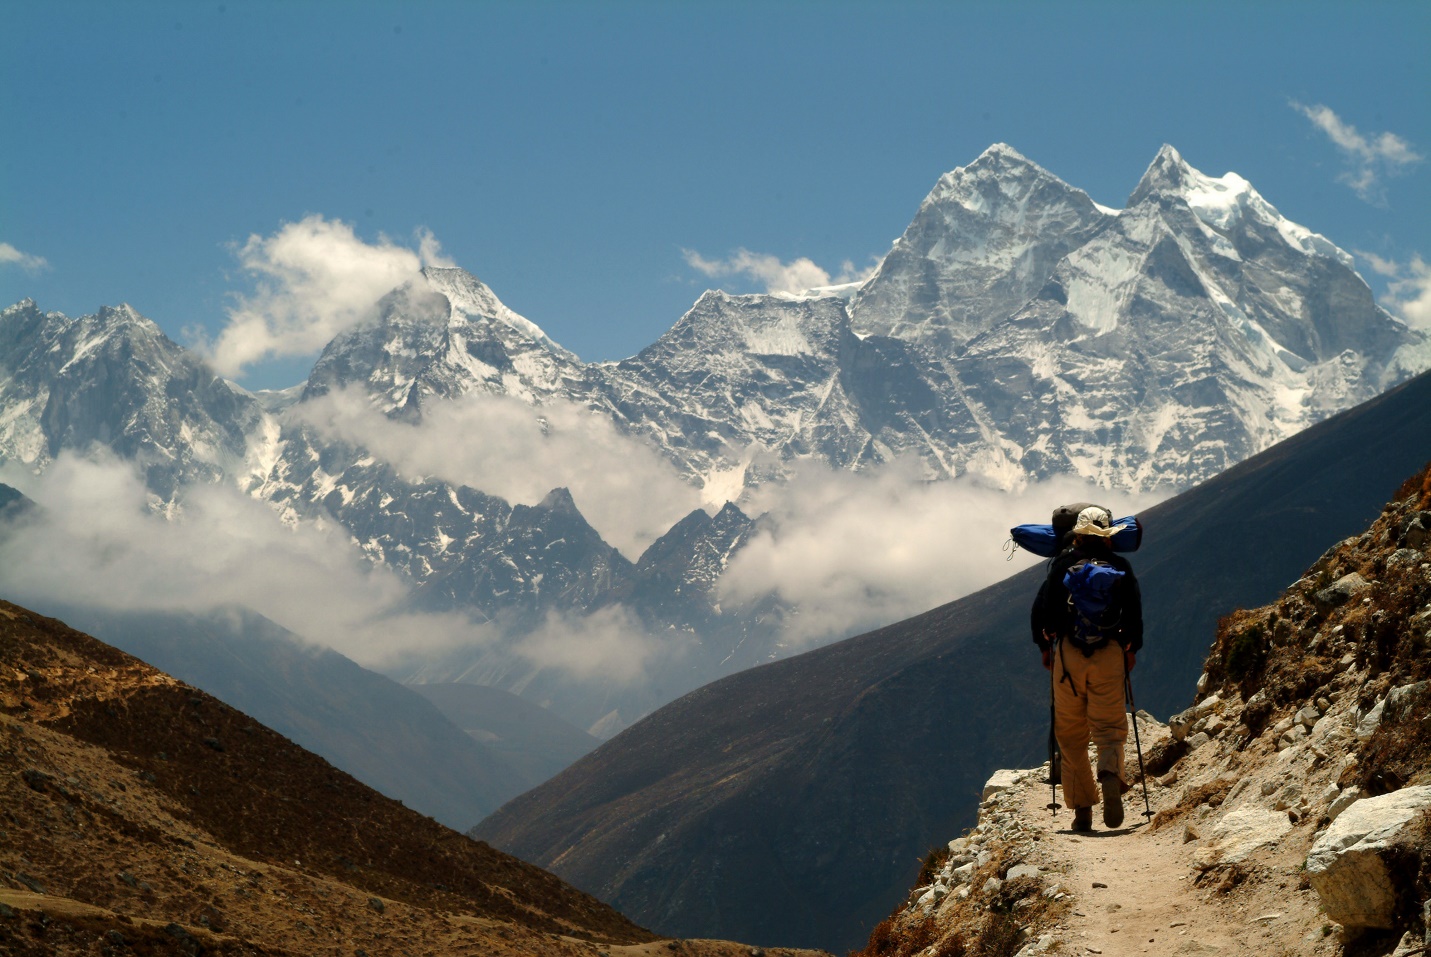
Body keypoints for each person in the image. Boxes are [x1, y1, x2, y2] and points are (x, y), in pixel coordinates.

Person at [1031, 505, 1143, 831]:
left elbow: (1044, 614)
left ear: (1077, 535)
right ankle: (1109, 772)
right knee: (1109, 727)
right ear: (1107, 536)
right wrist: (1131, 649)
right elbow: (1134, 615)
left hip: (1068, 656)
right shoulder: (1121, 567)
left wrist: (1045, 648)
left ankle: (1082, 809)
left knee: (1070, 734)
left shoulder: (1062, 565)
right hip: (1109, 653)